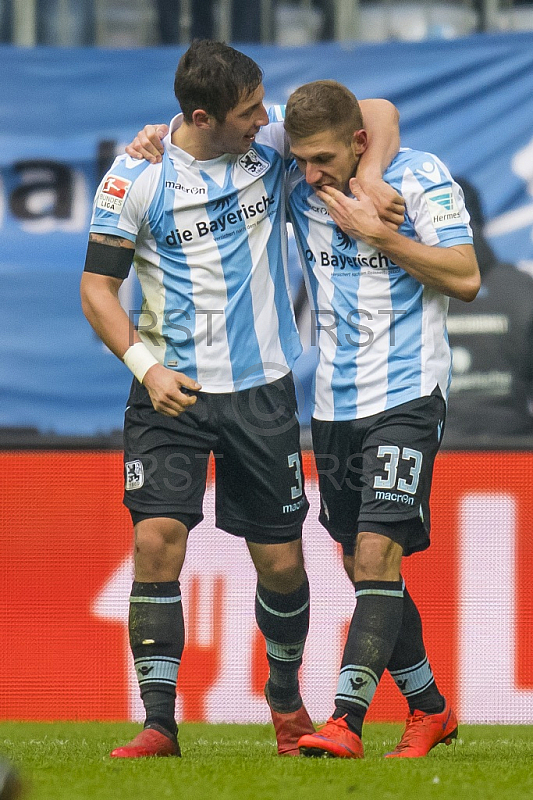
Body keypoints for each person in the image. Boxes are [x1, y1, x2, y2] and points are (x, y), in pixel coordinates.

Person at [81, 41, 402, 759]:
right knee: (154, 541)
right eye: (250, 110)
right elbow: (96, 289)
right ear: (203, 116)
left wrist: (372, 172)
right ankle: (159, 723)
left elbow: (375, 112)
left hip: (260, 393)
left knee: (281, 566)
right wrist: (145, 366)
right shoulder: (137, 175)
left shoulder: (269, 138)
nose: (266, 119)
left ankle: (285, 703)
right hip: (171, 395)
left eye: (264, 106)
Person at [279, 80, 479, 758]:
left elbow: (463, 275)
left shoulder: (418, 179)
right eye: (301, 159)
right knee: (364, 569)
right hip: (334, 403)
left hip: (408, 393)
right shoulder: (304, 178)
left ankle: (345, 720)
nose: (309, 174)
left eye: (324, 159)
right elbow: (372, 108)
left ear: (359, 143)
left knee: (375, 555)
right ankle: (430, 710)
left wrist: (376, 233)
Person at [444, 177, 533, 443]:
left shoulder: (408, 290)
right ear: (480, 219)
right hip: (514, 449)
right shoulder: (521, 286)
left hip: (431, 453)